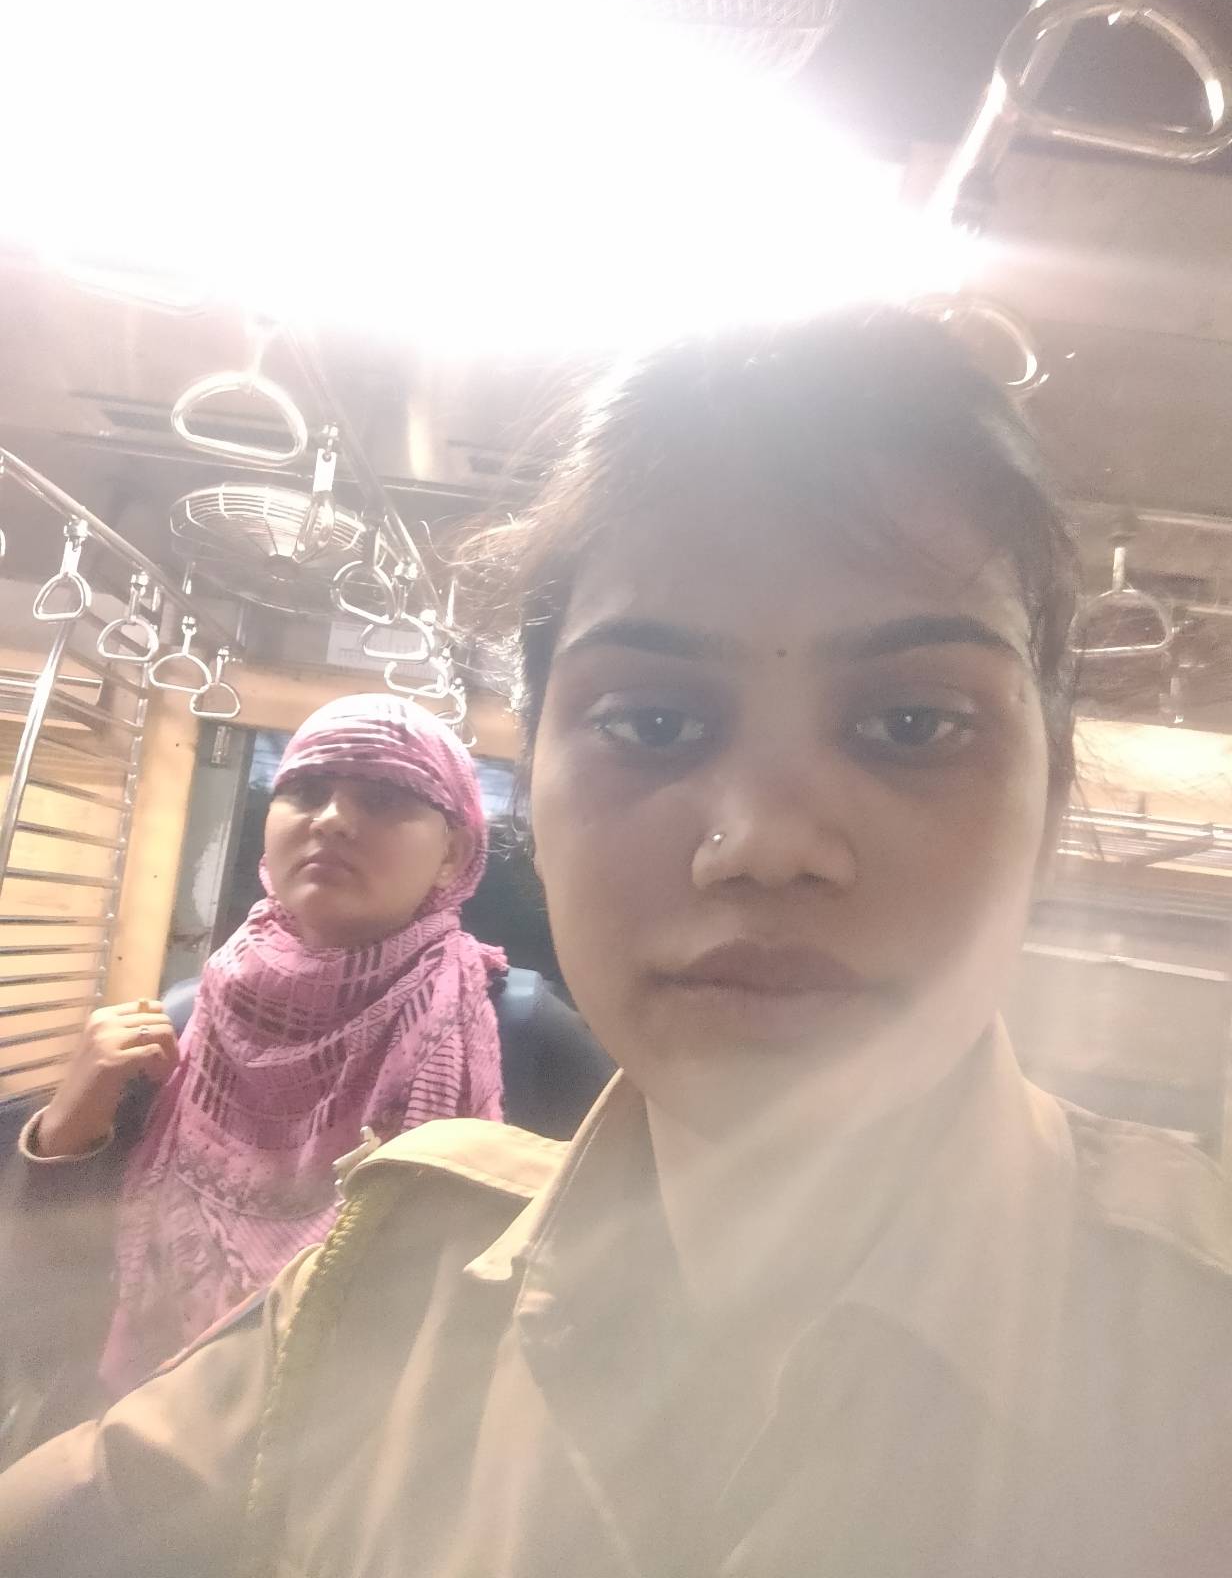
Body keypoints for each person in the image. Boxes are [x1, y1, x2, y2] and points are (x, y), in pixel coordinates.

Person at [3, 311, 1231, 1578]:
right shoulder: (382, 1294)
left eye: (912, 723)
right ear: (532, 797)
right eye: (650, 720)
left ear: (1048, 798)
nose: (763, 845)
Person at [2, 693, 504, 1431]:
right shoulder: (183, 1025)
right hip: (142, 1438)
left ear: (453, 853)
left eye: (383, 797)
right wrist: (63, 1133)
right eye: (305, 789)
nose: (331, 818)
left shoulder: (515, 1032)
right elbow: (43, 1313)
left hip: (370, 1464)